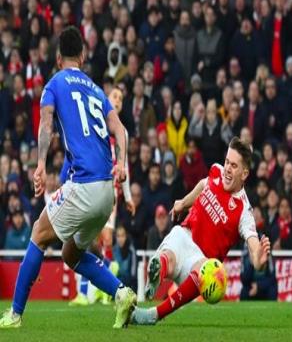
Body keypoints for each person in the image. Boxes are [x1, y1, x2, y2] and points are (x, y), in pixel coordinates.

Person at [0, 27, 136, 329]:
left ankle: (15, 314)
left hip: (84, 184)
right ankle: (121, 293)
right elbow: (121, 130)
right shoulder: (97, 90)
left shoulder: (54, 84)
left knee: (38, 232)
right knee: (71, 253)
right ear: (83, 57)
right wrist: (122, 164)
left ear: (58, 58)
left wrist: (40, 164)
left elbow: (46, 124)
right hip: (107, 192)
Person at [130, 136, 271, 326]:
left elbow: (253, 243)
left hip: (200, 261)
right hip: (184, 235)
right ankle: (158, 272)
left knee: (209, 271)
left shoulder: (243, 211)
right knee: (167, 259)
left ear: (244, 174)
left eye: (234, 166)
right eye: (227, 162)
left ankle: (153, 314)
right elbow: (203, 185)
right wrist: (183, 203)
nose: (227, 169)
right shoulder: (216, 171)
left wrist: (258, 261)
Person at [70, 85, 136, 306]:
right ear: (106, 98)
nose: (117, 100)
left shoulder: (122, 132)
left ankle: (91, 290)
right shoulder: (95, 123)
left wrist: (127, 196)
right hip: (90, 185)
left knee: (104, 238)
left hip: (111, 190)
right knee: (88, 240)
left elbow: (124, 166)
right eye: (114, 96)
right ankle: (107, 270)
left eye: (120, 98)